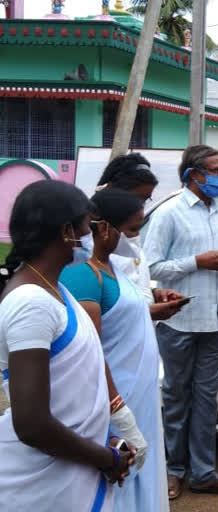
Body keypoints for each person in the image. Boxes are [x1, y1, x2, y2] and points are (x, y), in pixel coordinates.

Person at [0, 181, 133, 511]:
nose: (91, 237)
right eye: (87, 227)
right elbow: (32, 424)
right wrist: (105, 458)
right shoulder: (31, 303)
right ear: (65, 232)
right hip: (41, 487)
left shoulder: (53, 289)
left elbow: (71, 393)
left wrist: (105, 437)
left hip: (70, 468)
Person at [61, 188, 171, 512]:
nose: (136, 240)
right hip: (117, 400)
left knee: (142, 480)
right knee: (118, 484)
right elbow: (89, 353)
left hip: (141, 396)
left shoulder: (114, 269)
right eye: (133, 230)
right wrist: (119, 411)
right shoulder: (84, 276)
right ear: (105, 228)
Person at [143, 145, 218, 499]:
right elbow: (151, 268)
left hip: (214, 320)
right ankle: (172, 471)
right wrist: (194, 262)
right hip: (179, 320)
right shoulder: (169, 213)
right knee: (175, 397)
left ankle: (204, 473)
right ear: (194, 175)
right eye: (215, 170)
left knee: (206, 398)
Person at [95, 153, 185, 321]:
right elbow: (100, 304)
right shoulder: (97, 246)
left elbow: (129, 282)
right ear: (112, 190)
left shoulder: (129, 233)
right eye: (136, 198)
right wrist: (147, 312)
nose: (139, 207)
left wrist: (153, 294)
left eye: (145, 200)